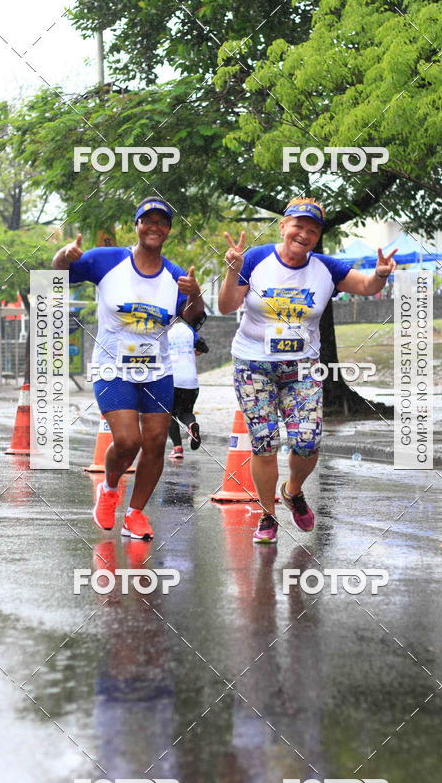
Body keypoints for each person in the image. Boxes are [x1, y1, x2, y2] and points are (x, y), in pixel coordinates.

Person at [218, 196, 397, 545]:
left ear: (317, 239)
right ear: (284, 226)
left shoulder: (325, 268)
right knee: (265, 442)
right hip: (253, 364)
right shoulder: (254, 259)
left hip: (302, 368)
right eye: (298, 226)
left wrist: (379, 274)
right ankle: (267, 516)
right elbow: (226, 306)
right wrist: (232, 269)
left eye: (312, 231)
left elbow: (365, 286)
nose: (304, 234)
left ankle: (293, 490)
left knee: (307, 441)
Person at [52, 197, 205, 540]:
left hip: (158, 371)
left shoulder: (176, 275)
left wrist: (195, 295)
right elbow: (57, 275)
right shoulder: (105, 260)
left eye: (161, 222)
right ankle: (108, 490)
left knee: (154, 443)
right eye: (147, 220)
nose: (154, 226)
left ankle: (135, 514)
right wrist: (64, 256)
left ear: (167, 230)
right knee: (127, 440)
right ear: (136, 225)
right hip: (113, 368)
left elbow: (195, 318)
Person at [167, 320, 209, 459]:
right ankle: (192, 425)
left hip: (171, 379)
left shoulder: (163, 328)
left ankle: (177, 448)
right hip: (191, 381)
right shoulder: (189, 329)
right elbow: (203, 347)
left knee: (170, 414)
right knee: (186, 411)